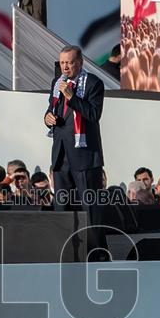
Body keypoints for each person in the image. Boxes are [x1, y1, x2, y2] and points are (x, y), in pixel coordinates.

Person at [44, 46, 105, 254]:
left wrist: (72, 97)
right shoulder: (57, 83)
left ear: (80, 63)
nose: (65, 67)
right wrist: (47, 118)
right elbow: (52, 109)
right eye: (62, 63)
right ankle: (65, 251)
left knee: (90, 208)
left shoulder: (94, 83)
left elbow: (94, 114)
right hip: (61, 155)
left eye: (69, 62)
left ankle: (96, 252)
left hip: (84, 155)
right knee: (62, 207)